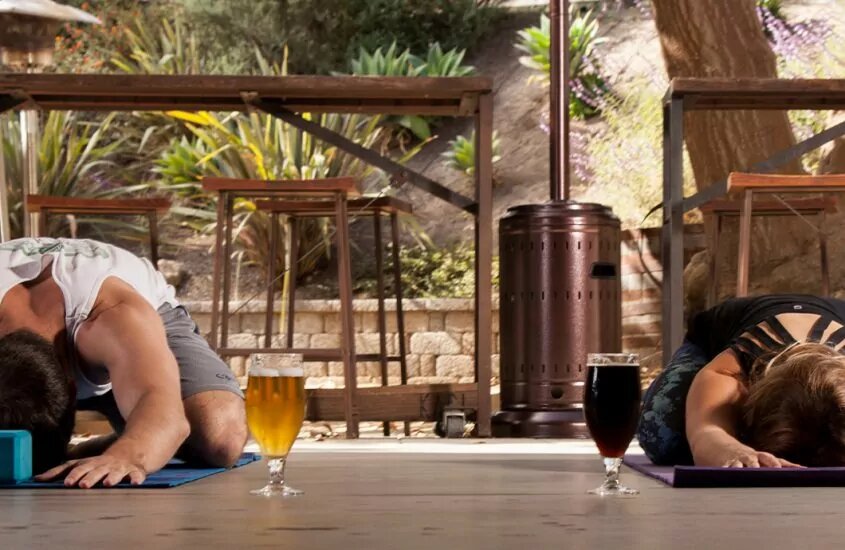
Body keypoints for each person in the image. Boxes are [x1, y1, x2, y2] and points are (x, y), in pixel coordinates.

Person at [0, 237, 247, 488]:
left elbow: (165, 412)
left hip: (143, 315)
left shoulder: (111, 315)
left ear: (74, 391)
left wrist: (127, 455)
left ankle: (124, 436)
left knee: (221, 438)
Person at [639, 294, 845, 468]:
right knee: (662, 435)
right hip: (713, 335)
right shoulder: (737, 363)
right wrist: (732, 450)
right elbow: (707, 431)